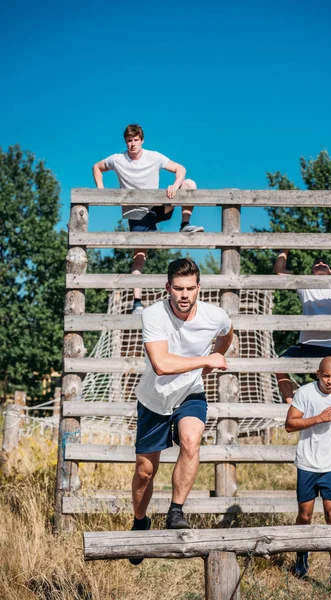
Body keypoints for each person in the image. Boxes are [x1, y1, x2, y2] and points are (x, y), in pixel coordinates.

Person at [129, 258, 233, 565]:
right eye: (178, 288)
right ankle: (139, 521)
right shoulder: (153, 314)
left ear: (199, 288)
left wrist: (218, 353)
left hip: (190, 393)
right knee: (145, 472)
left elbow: (227, 333)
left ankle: (176, 511)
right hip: (154, 399)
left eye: (190, 288)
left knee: (191, 440)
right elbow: (161, 365)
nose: (184, 295)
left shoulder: (215, 316)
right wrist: (206, 361)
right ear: (167, 288)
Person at [92, 124, 204, 314]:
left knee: (189, 184)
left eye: (136, 140)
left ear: (142, 140)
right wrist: (101, 191)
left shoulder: (154, 156)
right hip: (137, 213)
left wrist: (175, 185)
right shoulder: (118, 159)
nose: (132, 144)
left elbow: (180, 169)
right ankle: (137, 302)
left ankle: (185, 224)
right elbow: (97, 167)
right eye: (129, 140)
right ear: (125, 141)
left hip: (157, 206)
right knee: (139, 256)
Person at [285, 356, 331, 591]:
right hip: (308, 463)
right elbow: (289, 424)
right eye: (325, 376)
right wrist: (319, 418)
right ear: (318, 374)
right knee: (305, 516)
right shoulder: (306, 393)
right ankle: (301, 558)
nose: (330, 381)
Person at [273, 250, 331, 403]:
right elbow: (279, 271)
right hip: (306, 344)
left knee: (326, 391)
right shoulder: (305, 284)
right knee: (278, 365)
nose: (320, 264)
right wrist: (285, 249)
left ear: (330, 271)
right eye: (316, 263)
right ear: (312, 270)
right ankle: (292, 405)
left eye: (324, 263)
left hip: (330, 347)